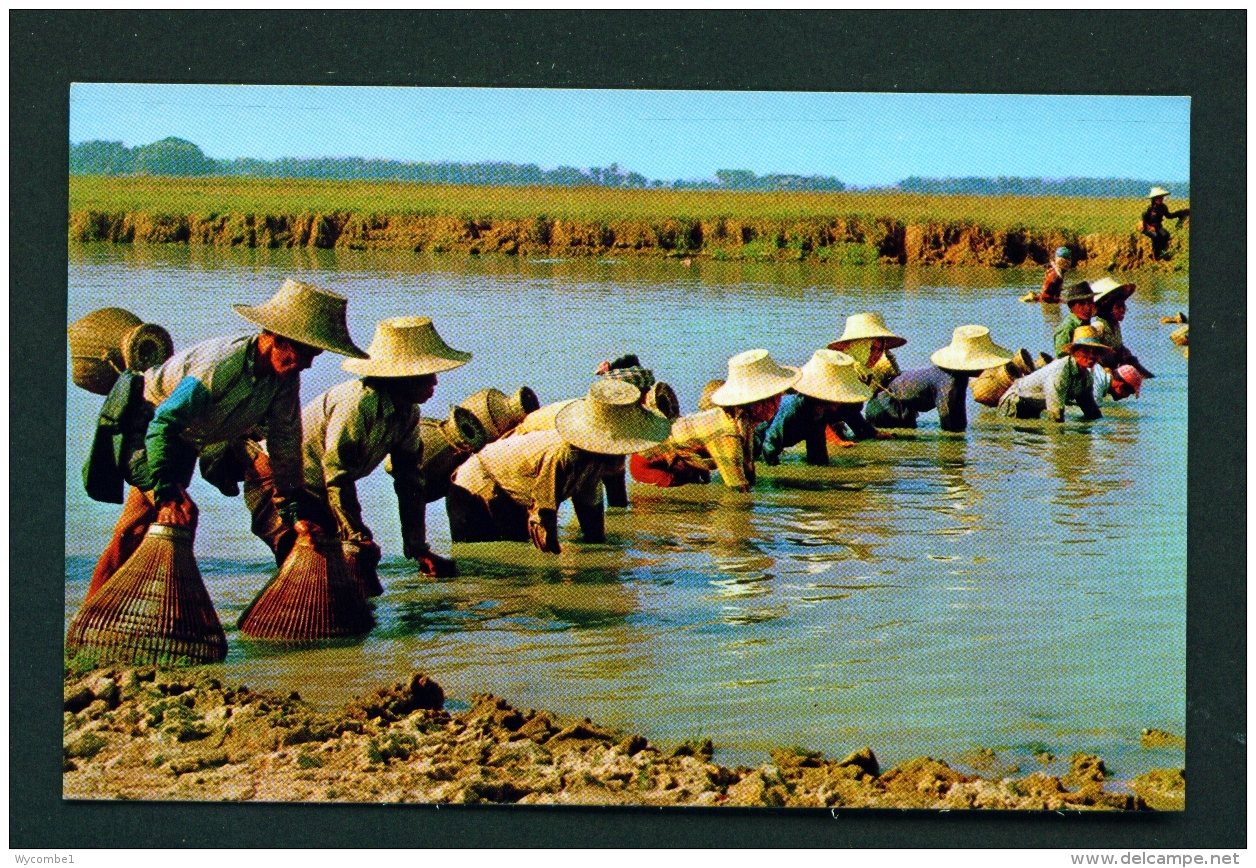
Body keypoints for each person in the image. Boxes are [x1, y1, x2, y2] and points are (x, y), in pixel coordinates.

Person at [85, 278, 367, 599]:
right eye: (303, 352)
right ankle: (114, 606)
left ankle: (123, 602)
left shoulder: (284, 382)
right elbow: (165, 422)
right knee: (175, 516)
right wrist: (165, 488)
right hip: (146, 423)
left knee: (138, 526)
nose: (307, 363)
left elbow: (285, 446)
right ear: (274, 337)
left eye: (314, 354)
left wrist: (293, 508)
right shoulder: (220, 365)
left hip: (188, 438)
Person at [244, 317, 471, 580]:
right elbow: (337, 475)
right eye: (427, 375)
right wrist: (357, 536)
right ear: (404, 378)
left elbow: (410, 481)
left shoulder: (407, 414)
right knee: (308, 567)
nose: (435, 383)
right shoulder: (357, 406)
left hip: (319, 489)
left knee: (357, 572)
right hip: (277, 481)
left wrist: (417, 548)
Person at [446, 379, 670, 554]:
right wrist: (554, 571)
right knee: (491, 562)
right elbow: (543, 513)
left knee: (515, 551)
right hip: (477, 483)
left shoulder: (592, 463)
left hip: (511, 487)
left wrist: (605, 553)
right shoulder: (566, 454)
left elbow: (591, 515)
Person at [632, 349, 799, 492]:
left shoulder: (742, 420)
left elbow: (747, 468)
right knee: (686, 495)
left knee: (697, 488)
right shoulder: (727, 434)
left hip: (681, 456)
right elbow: (737, 489)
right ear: (758, 404)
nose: (779, 403)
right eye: (774, 398)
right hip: (647, 464)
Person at [866, 325, 1015, 433]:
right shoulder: (947, 381)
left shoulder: (959, 378)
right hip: (885, 406)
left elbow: (959, 415)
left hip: (902, 405)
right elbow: (949, 423)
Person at [755, 349, 877, 466]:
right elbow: (769, 444)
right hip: (756, 440)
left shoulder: (819, 414)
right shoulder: (793, 410)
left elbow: (817, 452)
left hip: (771, 442)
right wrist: (777, 476)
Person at [998, 325, 1113, 422]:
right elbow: (1055, 414)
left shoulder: (1086, 378)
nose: (1091, 356)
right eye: (1086, 351)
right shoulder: (1060, 372)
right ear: (1074, 351)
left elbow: (1091, 411)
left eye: (1096, 352)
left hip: (1034, 407)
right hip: (1016, 402)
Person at [1090, 277, 1155, 379]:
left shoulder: (1115, 325)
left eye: (1124, 306)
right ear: (1108, 308)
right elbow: (1090, 355)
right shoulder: (1098, 326)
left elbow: (1117, 345)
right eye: (1119, 306)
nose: (1123, 309)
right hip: (1102, 372)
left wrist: (1125, 353)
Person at [828, 312, 906, 393]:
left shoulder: (882, 364)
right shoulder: (839, 370)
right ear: (856, 346)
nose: (876, 355)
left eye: (880, 349)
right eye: (872, 348)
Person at [1140, 187, 1189, 260]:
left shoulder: (1163, 207)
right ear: (1154, 199)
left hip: (1158, 227)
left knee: (1165, 235)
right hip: (1147, 227)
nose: (1161, 199)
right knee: (1155, 236)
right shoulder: (1149, 208)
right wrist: (1150, 227)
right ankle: (1154, 254)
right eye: (1159, 198)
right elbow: (1143, 220)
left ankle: (1161, 252)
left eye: (1162, 198)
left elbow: (1169, 216)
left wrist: (1180, 213)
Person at [1052, 282, 1097, 357]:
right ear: (1071, 306)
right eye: (1081, 304)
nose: (1087, 308)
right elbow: (1061, 357)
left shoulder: (1086, 323)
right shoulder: (1067, 328)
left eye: (1090, 302)